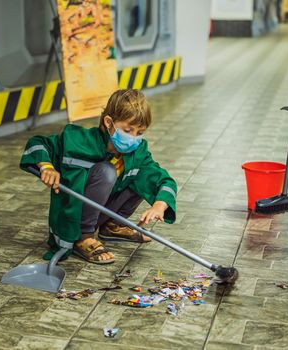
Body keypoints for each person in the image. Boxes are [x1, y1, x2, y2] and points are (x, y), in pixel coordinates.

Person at [20, 89, 177, 264]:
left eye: (139, 133)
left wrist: (158, 206)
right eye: (127, 130)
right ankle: (83, 236)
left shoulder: (137, 152)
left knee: (142, 174)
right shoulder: (78, 140)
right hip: (75, 215)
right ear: (109, 123)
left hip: (103, 210)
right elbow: (38, 143)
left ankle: (112, 225)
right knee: (107, 171)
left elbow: (163, 180)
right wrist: (46, 167)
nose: (133, 138)